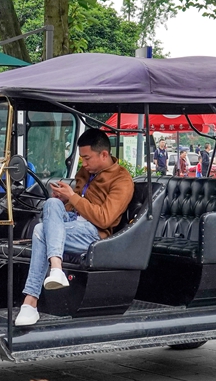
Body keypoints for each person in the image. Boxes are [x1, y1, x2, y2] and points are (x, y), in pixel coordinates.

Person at [15, 129, 134, 326]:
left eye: (87, 158)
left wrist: (72, 197)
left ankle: (31, 301)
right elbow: (75, 205)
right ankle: (56, 270)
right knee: (51, 204)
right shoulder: (86, 172)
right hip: (72, 222)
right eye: (82, 159)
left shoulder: (122, 180)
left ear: (104, 154)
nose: (84, 164)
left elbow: (104, 219)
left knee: (40, 231)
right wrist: (64, 199)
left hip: (94, 232)